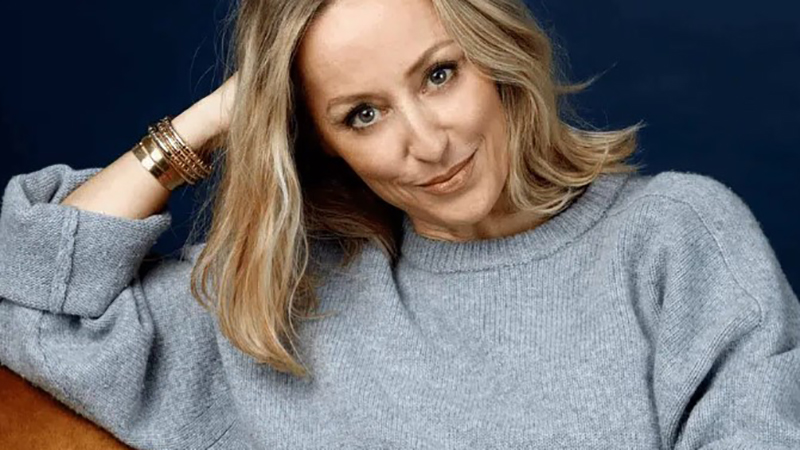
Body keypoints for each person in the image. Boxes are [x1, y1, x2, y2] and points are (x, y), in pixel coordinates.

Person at [0, 0, 798, 448]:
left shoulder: (675, 238)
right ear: (321, 143)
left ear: (496, 56)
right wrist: (216, 117)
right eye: (363, 113)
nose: (426, 142)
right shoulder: (284, 305)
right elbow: (32, 298)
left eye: (439, 74)